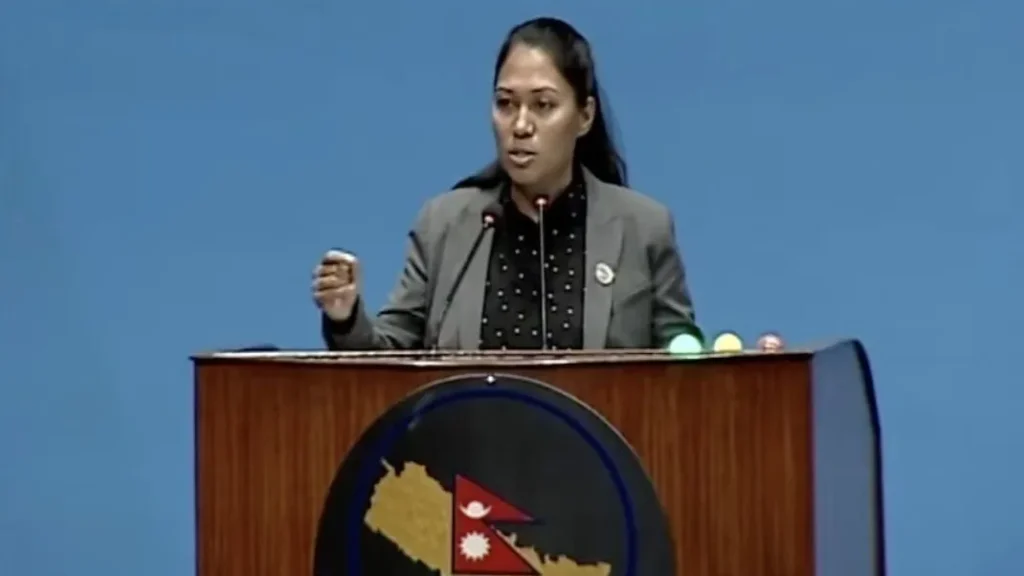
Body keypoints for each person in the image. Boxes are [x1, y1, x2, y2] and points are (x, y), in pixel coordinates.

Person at [312, 16, 702, 351]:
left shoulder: (643, 229)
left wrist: (720, 362)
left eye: (543, 105)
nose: (520, 125)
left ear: (585, 116)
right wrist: (346, 317)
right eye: (505, 104)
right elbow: (387, 360)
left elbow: (681, 361)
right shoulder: (444, 226)